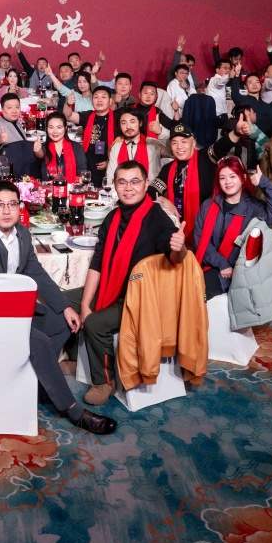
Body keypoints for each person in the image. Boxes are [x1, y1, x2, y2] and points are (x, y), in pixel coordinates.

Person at [0, 180, 116, 434]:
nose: (6, 210)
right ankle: (72, 410)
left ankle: (40, 381)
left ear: (19, 207)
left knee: (63, 323)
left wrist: (65, 307)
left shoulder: (22, 233)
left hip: (16, 312)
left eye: (12, 204)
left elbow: (35, 272)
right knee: (37, 341)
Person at [75, 161, 186, 405]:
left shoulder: (157, 218)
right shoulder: (112, 217)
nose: (128, 188)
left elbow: (175, 258)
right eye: (122, 182)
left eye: (135, 182)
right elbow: (97, 263)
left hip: (141, 298)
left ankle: (104, 382)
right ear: (115, 185)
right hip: (111, 286)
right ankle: (76, 358)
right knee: (63, 302)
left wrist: (180, 248)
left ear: (146, 184)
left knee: (95, 323)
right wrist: (84, 303)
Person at [193, 157, 272, 296]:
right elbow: (200, 240)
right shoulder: (208, 205)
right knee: (186, 288)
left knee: (199, 292)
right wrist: (221, 264)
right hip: (211, 263)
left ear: (243, 178)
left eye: (232, 176)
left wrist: (264, 184)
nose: (227, 182)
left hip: (239, 272)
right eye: (222, 178)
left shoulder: (254, 208)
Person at [160, 128, 217, 241]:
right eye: (174, 143)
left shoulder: (205, 158)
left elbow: (222, 146)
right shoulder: (167, 168)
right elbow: (152, 190)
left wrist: (236, 132)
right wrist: (162, 200)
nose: (179, 147)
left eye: (184, 141)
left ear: (194, 143)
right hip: (177, 229)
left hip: (207, 228)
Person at [34, 112, 85, 184]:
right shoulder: (43, 148)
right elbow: (40, 155)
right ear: (46, 129)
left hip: (71, 189)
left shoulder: (76, 147)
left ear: (65, 128)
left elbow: (82, 172)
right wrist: (37, 151)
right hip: (48, 190)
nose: (55, 131)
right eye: (51, 127)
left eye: (59, 127)